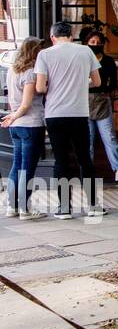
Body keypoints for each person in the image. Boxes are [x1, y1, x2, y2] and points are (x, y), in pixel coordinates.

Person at [35, 22, 100, 219]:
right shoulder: (85, 51)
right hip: (79, 113)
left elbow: (40, 88)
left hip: (55, 114)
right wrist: (81, 83)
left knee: (61, 160)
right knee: (84, 159)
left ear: (52, 37)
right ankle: (92, 206)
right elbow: (97, 82)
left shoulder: (45, 54)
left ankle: (64, 208)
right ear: (71, 36)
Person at [2, 38, 46, 220]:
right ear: (34, 52)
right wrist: (14, 116)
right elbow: (26, 104)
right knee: (27, 169)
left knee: (17, 167)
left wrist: (13, 117)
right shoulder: (30, 73)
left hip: (16, 127)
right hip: (30, 124)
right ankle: (24, 209)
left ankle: (12, 207)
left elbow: (13, 99)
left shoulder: (12, 70)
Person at [83, 30, 118, 184]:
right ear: (86, 43)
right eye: (92, 42)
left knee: (109, 137)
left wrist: (103, 90)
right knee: (87, 140)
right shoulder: (82, 60)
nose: (96, 45)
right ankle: (87, 172)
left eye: (98, 42)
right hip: (84, 102)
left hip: (102, 101)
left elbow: (113, 82)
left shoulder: (108, 61)